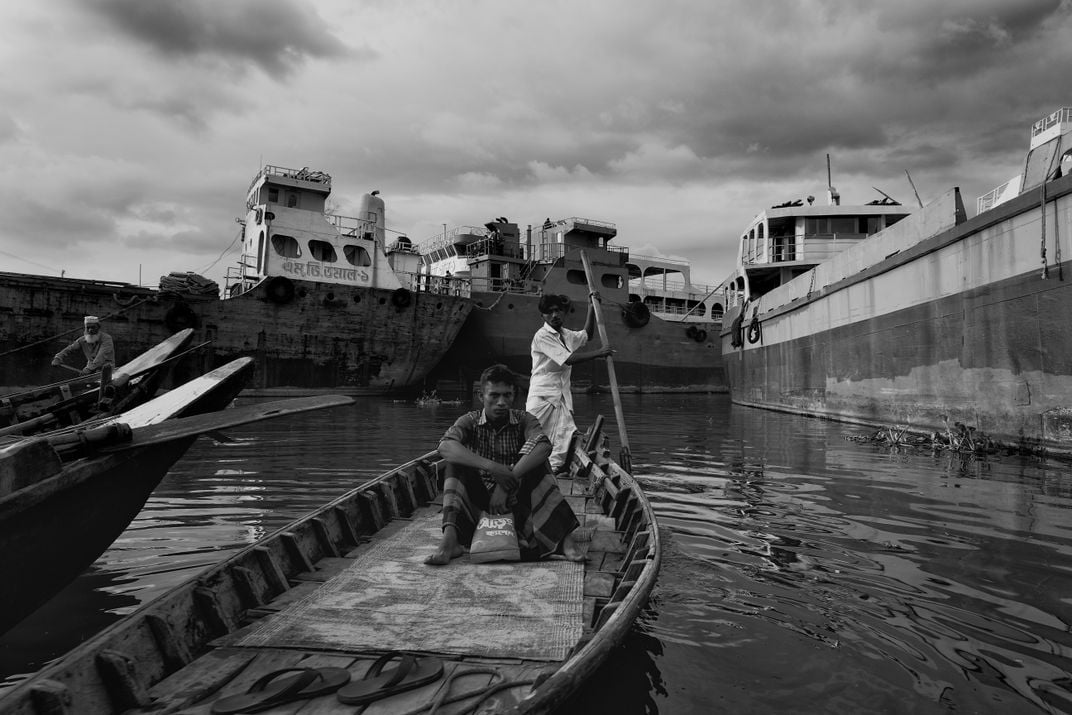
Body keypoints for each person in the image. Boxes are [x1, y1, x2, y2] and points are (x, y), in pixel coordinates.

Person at [425, 363, 584, 566]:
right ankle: (449, 542)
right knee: (455, 465)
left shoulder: (524, 420)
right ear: (481, 396)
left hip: (515, 501)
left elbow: (544, 446)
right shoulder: (469, 421)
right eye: (494, 395)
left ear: (514, 396)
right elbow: (445, 447)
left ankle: (564, 539)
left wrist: (507, 482)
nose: (501, 402)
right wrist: (493, 468)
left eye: (507, 395)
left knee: (540, 464)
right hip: (479, 507)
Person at [525, 293, 613, 473]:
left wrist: (591, 308)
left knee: (564, 434)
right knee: (534, 437)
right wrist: (600, 352)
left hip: (561, 395)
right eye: (549, 312)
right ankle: (529, 471)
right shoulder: (542, 336)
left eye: (558, 311)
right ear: (543, 316)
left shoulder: (566, 334)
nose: (554, 315)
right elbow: (568, 359)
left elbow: (586, 335)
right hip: (542, 396)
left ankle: (553, 471)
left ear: (564, 313)